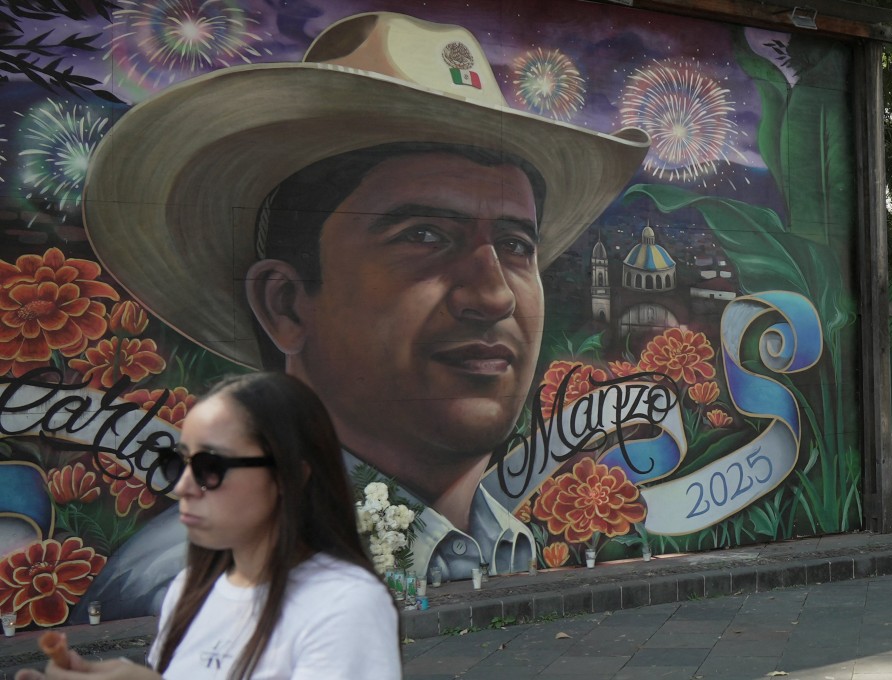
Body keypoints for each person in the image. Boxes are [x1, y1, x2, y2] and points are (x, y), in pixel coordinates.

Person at [78, 10, 649, 605]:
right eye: (424, 235)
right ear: (286, 304)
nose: (494, 295)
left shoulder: (498, 543)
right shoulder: (207, 582)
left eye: (514, 245)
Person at [17, 372, 401, 679]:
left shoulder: (345, 604)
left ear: (289, 476)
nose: (182, 486)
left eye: (210, 468)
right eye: (177, 464)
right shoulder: (188, 591)